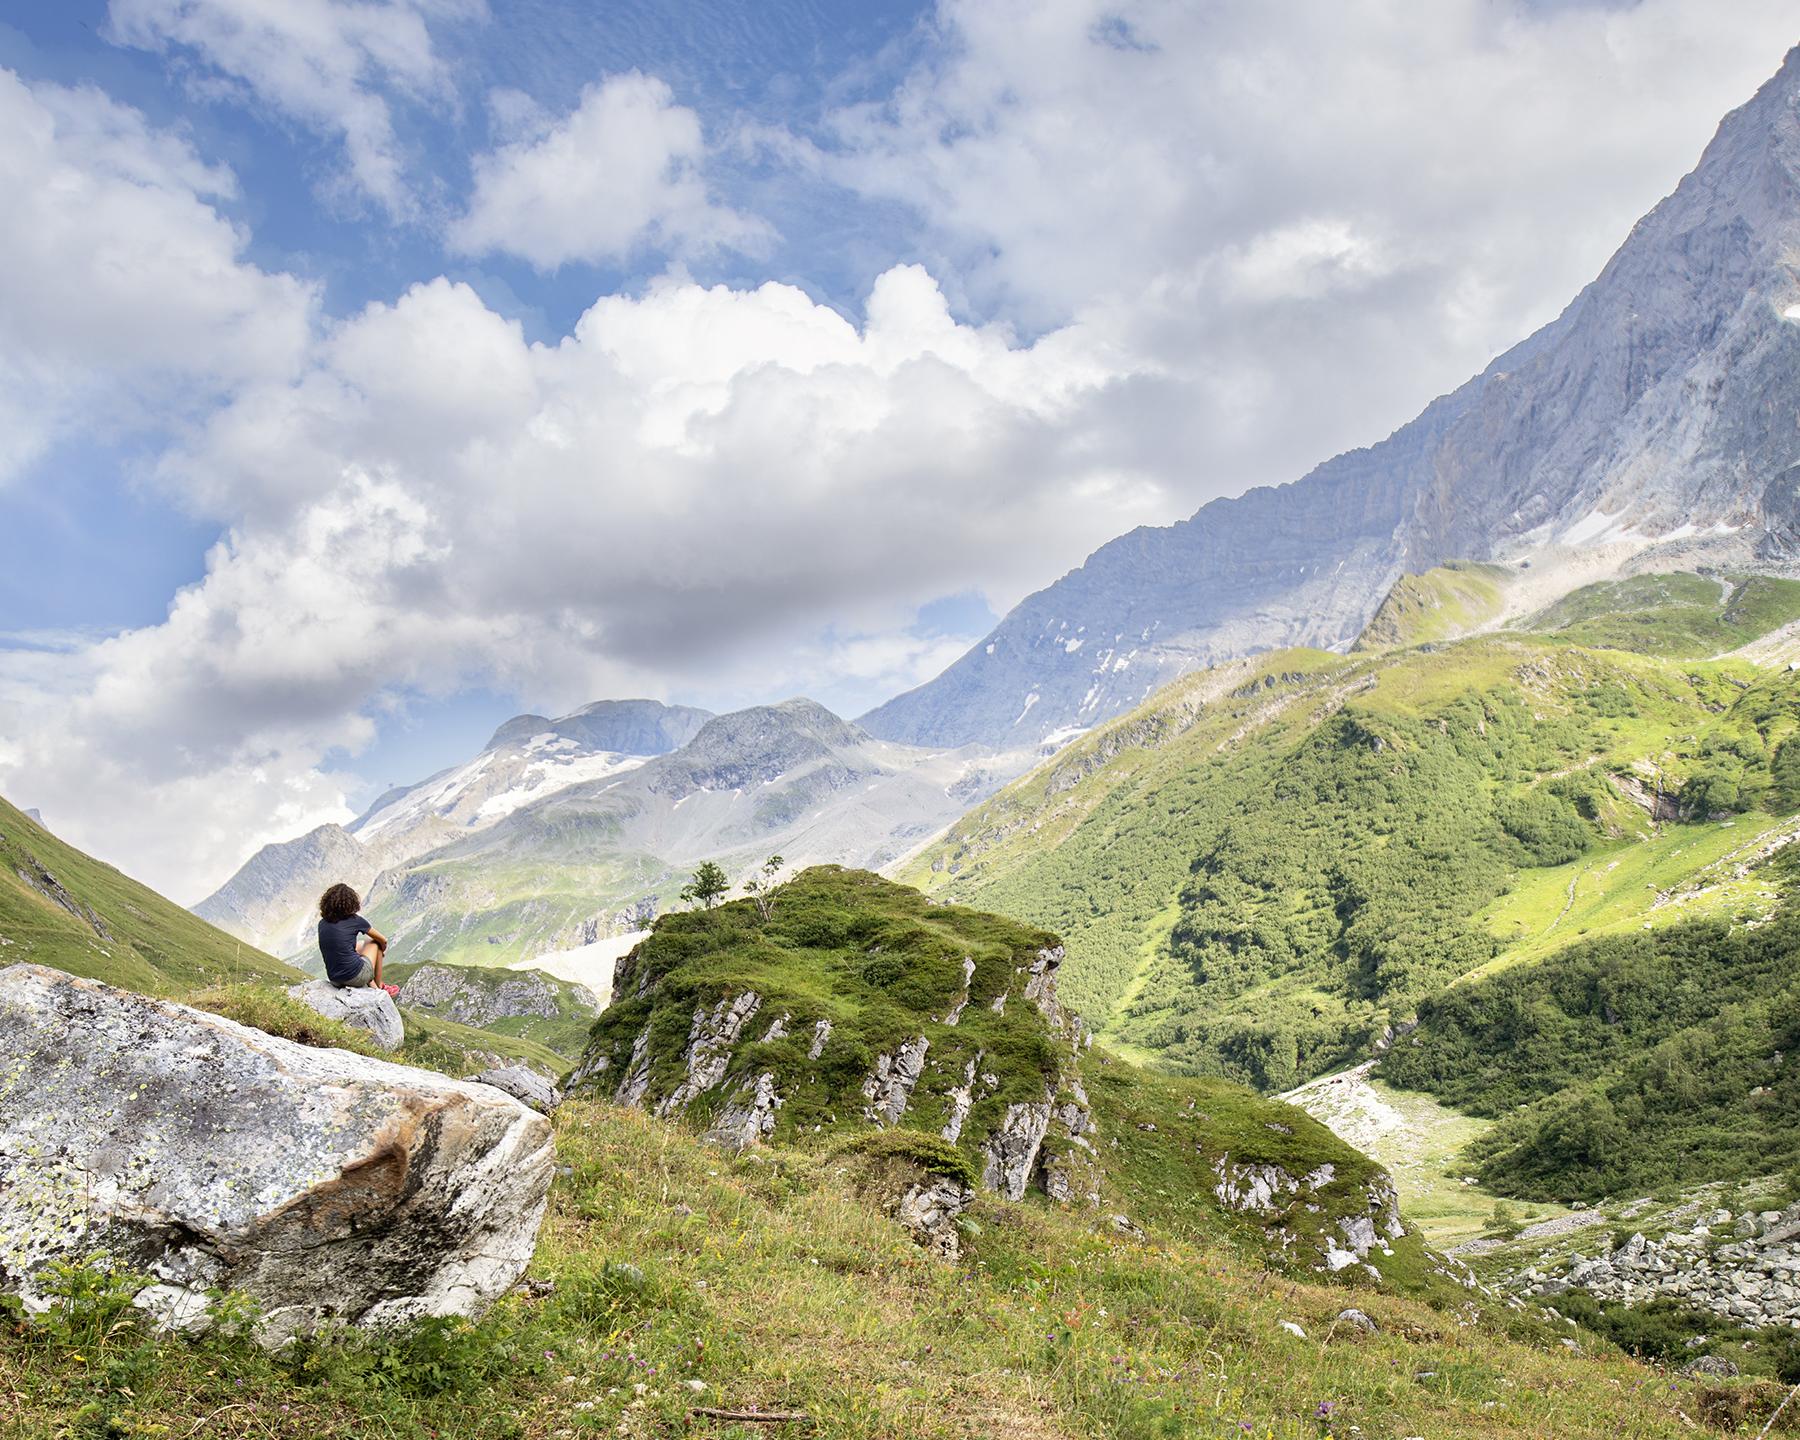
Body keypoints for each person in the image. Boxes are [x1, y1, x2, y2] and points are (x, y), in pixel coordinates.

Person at [317, 882, 399, 997]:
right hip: (354, 977)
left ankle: (373, 985)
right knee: (374, 943)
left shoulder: (322, 923)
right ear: (351, 903)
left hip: (335, 979)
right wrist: (380, 951)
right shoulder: (355, 920)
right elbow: (382, 940)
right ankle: (380, 987)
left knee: (360, 945)